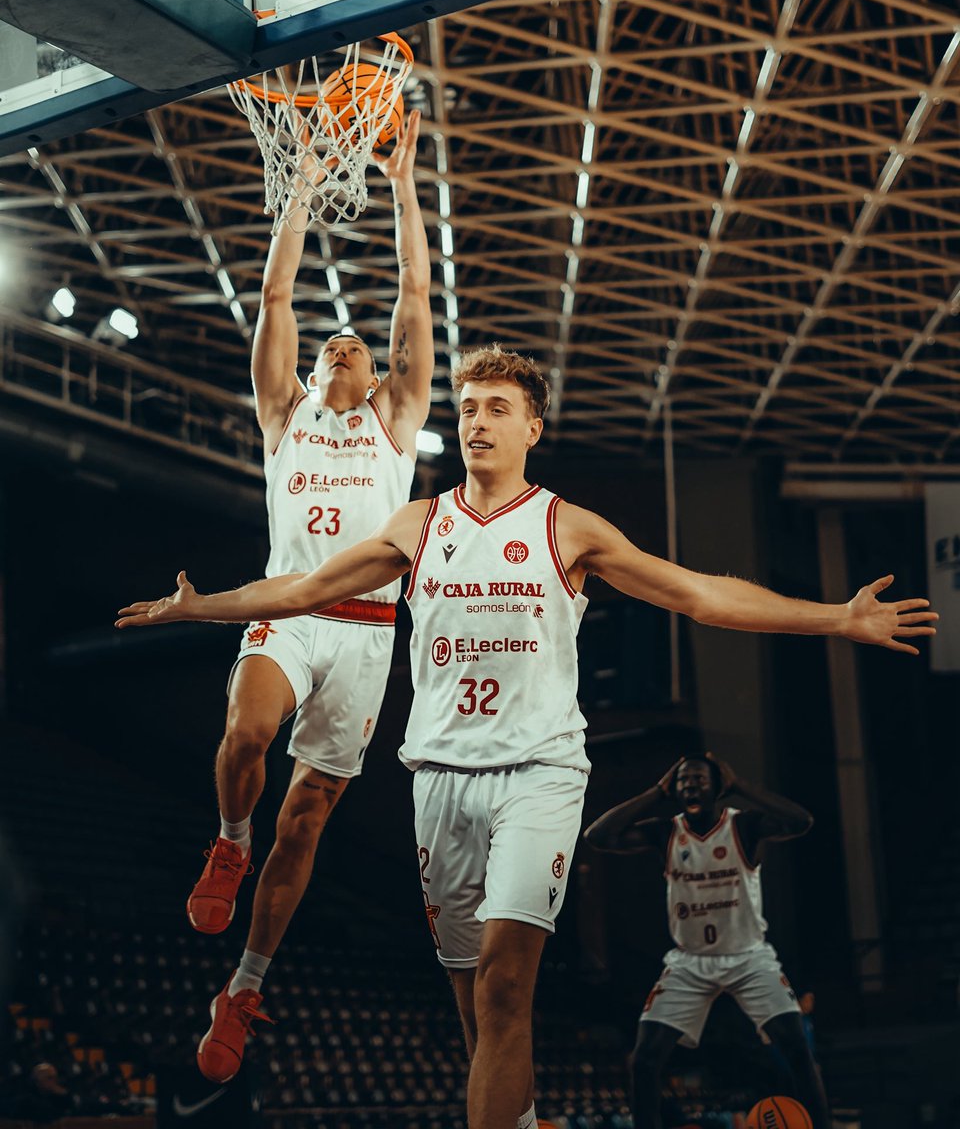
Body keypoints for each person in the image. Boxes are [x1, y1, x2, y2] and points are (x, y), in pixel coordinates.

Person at [116, 345, 936, 1128]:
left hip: (538, 776)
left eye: (497, 409)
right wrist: (200, 606)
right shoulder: (417, 526)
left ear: (531, 429)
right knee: (474, 1002)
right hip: (438, 780)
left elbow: (697, 595)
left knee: (508, 988)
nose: (477, 421)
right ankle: (525, 1116)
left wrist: (837, 617)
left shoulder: (567, 528)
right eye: (468, 407)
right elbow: (304, 588)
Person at [180, 111, 432, 1083]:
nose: (341, 346)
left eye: (356, 348)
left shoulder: (396, 427)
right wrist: (303, 180)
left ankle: (243, 986)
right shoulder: (282, 415)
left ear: (375, 378)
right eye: (329, 344)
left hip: (367, 636)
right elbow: (279, 289)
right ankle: (227, 842)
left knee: (311, 819)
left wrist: (405, 183)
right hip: (288, 611)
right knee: (245, 742)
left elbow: (415, 288)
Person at [583, 754, 830, 1129]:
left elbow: (802, 821)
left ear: (718, 786)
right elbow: (598, 836)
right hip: (690, 962)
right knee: (645, 1059)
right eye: (682, 781)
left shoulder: (743, 826)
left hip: (749, 957)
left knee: (797, 1047)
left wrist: (742, 786)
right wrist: (655, 792)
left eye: (698, 779)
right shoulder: (667, 831)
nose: (689, 786)